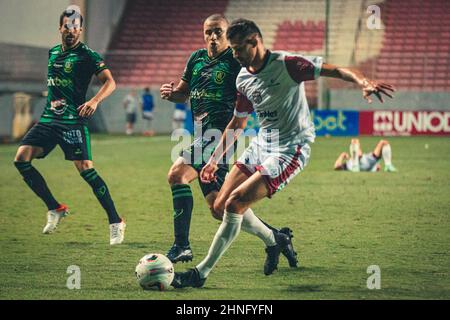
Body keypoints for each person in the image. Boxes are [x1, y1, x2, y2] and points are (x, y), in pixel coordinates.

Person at [171, 18, 395, 288]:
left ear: (255, 42)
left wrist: (362, 81)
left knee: (235, 204)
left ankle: (201, 273)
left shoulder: (288, 64)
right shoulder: (243, 78)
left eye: (240, 48)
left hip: (291, 148)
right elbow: (238, 122)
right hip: (261, 144)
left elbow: (336, 70)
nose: (235, 54)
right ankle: (275, 239)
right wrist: (215, 160)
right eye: (233, 48)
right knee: (219, 208)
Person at [160, 14, 297, 272]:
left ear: (227, 34)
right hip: (201, 136)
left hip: (220, 137)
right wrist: (172, 94)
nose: (213, 37)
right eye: (208, 32)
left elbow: (256, 84)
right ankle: (276, 238)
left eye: (218, 32)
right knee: (218, 208)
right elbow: (183, 93)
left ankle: (181, 245)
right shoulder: (196, 59)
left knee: (177, 175)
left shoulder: (236, 62)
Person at [13, 7, 126, 245]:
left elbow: (111, 82)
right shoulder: (52, 53)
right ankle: (55, 208)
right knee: (21, 158)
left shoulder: (88, 55)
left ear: (80, 30)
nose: (71, 31)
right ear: (60, 28)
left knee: (85, 168)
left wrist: (95, 101)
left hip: (73, 121)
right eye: (67, 26)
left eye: (76, 27)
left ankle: (116, 221)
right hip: (48, 119)